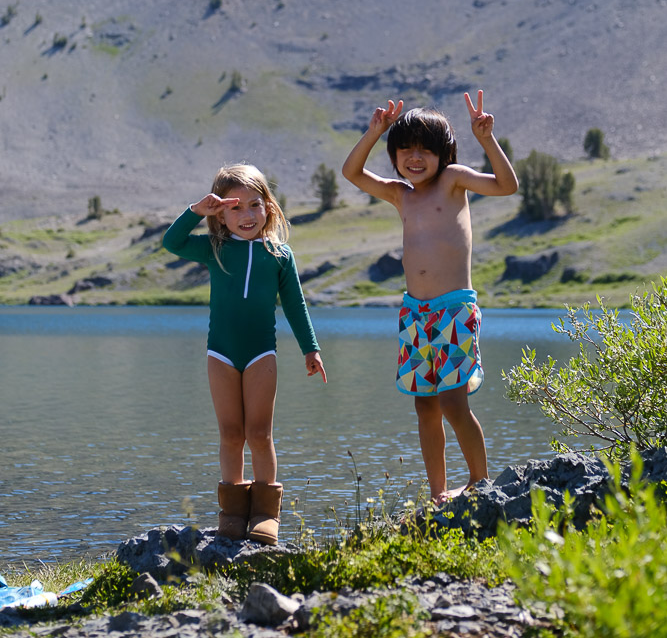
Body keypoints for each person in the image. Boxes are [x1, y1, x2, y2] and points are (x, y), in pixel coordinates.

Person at [342, 91, 518, 503]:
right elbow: (352, 172)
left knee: (453, 403)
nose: (415, 157)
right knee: (424, 406)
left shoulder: (453, 180)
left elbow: (507, 186)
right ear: (394, 155)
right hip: (414, 315)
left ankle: (479, 484)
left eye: (425, 149)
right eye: (405, 149)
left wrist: (487, 139)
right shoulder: (400, 194)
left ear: (444, 154)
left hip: (454, 309)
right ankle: (438, 493)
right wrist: (374, 132)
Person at [162, 163, 326, 545]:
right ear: (221, 214)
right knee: (231, 433)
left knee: (259, 433)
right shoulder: (214, 248)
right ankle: (233, 512)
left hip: (260, 356)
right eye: (235, 207)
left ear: (268, 206)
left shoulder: (280, 254)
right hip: (220, 355)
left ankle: (266, 513)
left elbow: (296, 305)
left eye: (255, 204)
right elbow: (172, 242)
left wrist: (311, 349)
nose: (247, 214)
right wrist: (195, 211)